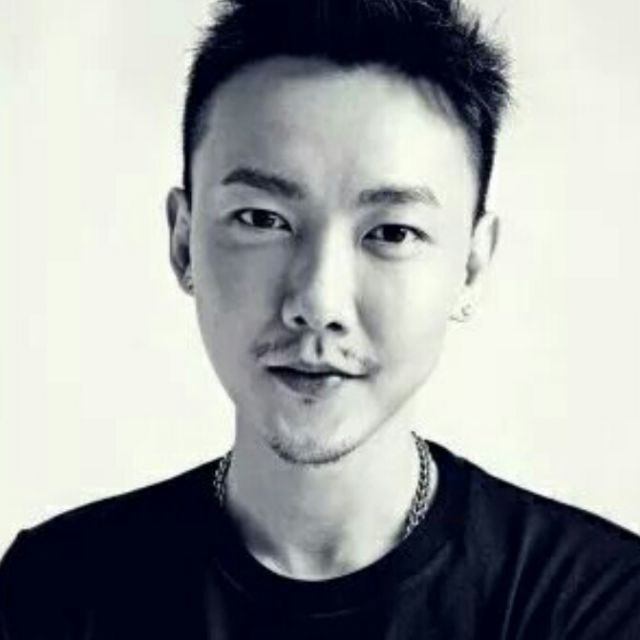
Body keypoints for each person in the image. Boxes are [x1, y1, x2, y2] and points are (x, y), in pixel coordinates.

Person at [1, 0, 639, 637]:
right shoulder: (56, 590)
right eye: (262, 219)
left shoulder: (594, 606)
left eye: (392, 232)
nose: (318, 304)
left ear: (470, 267)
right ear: (183, 241)